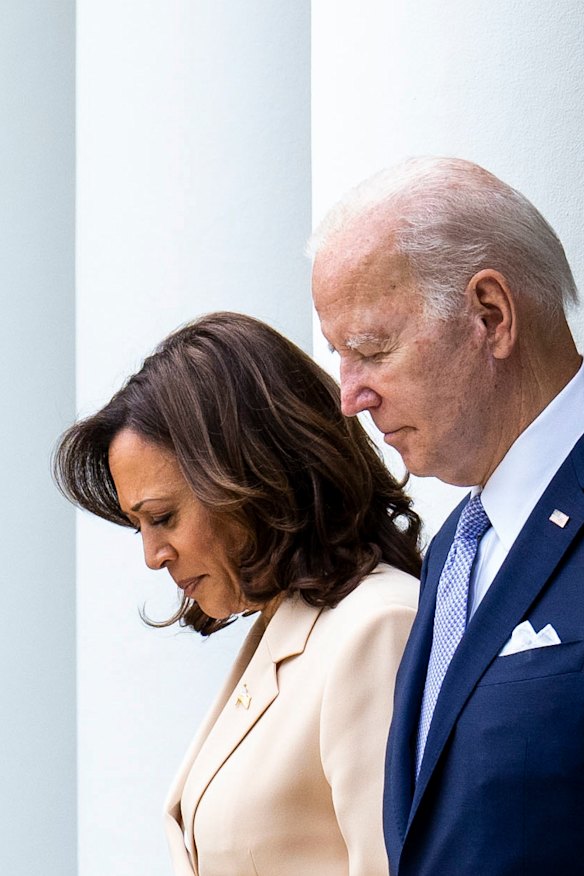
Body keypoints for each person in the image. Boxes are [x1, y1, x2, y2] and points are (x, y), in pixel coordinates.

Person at [53, 311, 421, 876]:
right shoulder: (288, 628)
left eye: (164, 517)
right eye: (140, 527)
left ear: (253, 476)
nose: (153, 556)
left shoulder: (376, 627)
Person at [310, 157, 584, 876]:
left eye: (370, 351)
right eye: (339, 357)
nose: (350, 397)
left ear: (489, 316)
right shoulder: (455, 551)